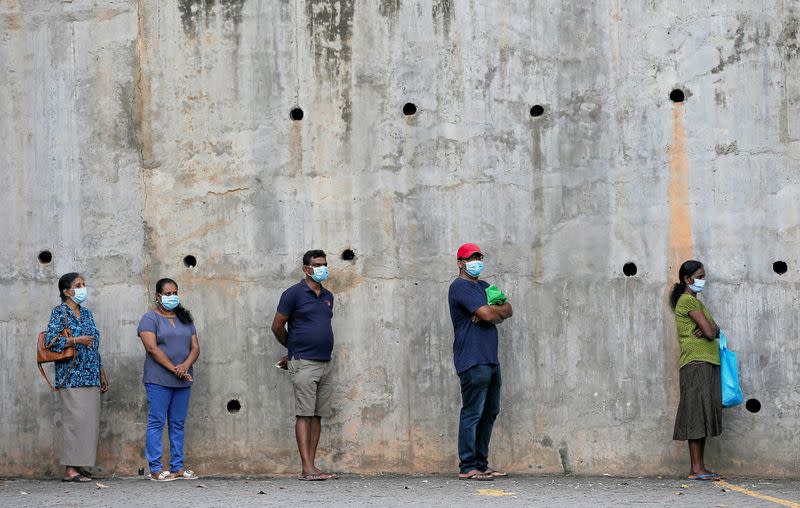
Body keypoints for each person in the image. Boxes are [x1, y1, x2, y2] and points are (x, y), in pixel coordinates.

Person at [271, 250, 339, 481]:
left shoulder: (328, 295)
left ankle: (312, 466)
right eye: (318, 264)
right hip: (304, 363)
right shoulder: (293, 294)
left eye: (325, 264)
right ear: (306, 269)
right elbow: (277, 326)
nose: (323, 268)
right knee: (304, 414)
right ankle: (306, 468)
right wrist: (293, 349)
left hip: (325, 362)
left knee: (318, 415)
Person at [447, 243, 513, 481]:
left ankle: (481, 463)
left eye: (479, 257)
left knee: (490, 411)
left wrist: (492, 311)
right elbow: (488, 314)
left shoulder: (485, 286)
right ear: (460, 263)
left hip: (490, 358)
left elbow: (508, 308)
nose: (476, 261)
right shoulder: (459, 287)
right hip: (472, 359)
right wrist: (489, 312)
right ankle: (468, 466)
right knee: (473, 412)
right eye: (471, 258)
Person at [44, 272, 109, 482]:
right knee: (74, 422)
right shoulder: (59, 312)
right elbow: (50, 342)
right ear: (66, 291)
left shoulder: (87, 313)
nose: (83, 288)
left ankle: (80, 466)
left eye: (84, 284)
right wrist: (75, 340)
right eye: (78, 285)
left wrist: (101, 371)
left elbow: (94, 345)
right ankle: (70, 470)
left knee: (88, 423)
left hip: (90, 374)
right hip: (71, 375)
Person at [137, 278, 200, 482]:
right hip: (159, 379)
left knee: (177, 423)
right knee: (156, 422)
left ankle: (177, 467)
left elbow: (195, 347)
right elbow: (151, 348)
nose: (172, 297)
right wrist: (174, 368)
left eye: (175, 293)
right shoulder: (149, 319)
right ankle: (156, 469)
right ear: (158, 296)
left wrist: (184, 366)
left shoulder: (185, 318)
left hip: (183, 379)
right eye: (168, 294)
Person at [670, 260, 723, 481]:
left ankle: (700, 468)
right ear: (687, 279)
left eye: (703, 275)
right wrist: (710, 329)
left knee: (701, 415)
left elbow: (714, 329)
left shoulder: (695, 302)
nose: (703, 280)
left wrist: (712, 329)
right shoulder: (687, 302)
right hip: (695, 364)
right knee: (695, 415)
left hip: (705, 363)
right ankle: (695, 469)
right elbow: (711, 333)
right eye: (699, 276)